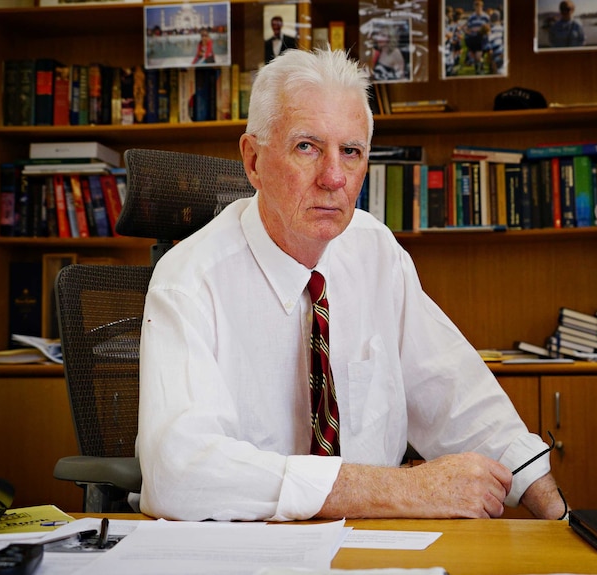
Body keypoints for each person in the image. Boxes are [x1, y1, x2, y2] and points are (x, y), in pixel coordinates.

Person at [135, 48, 569, 523]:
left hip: (373, 547)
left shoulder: (374, 249)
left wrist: (556, 514)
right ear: (253, 160)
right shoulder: (188, 281)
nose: (334, 177)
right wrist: (401, 490)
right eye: (307, 147)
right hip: (248, 553)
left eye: (351, 151)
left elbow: (455, 392)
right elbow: (179, 473)